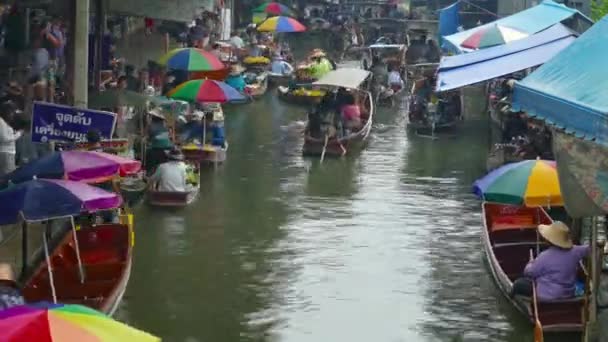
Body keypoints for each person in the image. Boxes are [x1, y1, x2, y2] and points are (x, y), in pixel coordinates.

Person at [511, 222, 590, 301]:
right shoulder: (575, 251)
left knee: (518, 283)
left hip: (546, 296)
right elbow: (588, 249)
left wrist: (530, 263)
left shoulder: (544, 256)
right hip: (568, 294)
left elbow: (530, 273)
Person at [0, 102, 21, 177]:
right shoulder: (1, 122)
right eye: (12, 112)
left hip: (9, 153)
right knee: (8, 176)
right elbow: (4, 138)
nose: (13, 115)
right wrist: (18, 134)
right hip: (5, 153)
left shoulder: (5, 122)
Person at [28, 36, 50, 101]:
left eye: (37, 42)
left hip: (40, 76)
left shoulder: (44, 52)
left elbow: (45, 65)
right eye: (35, 42)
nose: (35, 43)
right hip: (34, 76)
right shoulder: (33, 52)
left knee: (40, 97)